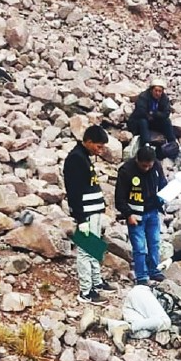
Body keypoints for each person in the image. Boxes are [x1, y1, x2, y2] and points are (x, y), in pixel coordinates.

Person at [79, 283, 181, 352]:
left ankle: (98, 319)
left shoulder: (180, 322)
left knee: (144, 333)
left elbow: (174, 331)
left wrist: (175, 341)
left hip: (137, 308)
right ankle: (126, 327)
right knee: (164, 322)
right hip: (141, 294)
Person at [63, 125, 114, 304]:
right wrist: (80, 218)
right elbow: (74, 191)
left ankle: (97, 281)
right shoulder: (76, 159)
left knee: (94, 247)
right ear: (89, 142)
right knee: (85, 251)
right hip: (86, 212)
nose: (100, 150)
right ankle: (86, 291)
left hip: (94, 211)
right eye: (98, 146)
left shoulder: (84, 157)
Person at [114, 145, 167, 285]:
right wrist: (128, 214)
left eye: (149, 166)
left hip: (153, 211)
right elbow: (119, 198)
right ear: (137, 159)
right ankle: (142, 275)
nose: (147, 169)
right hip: (135, 215)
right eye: (144, 166)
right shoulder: (126, 171)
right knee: (139, 247)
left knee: (154, 243)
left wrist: (166, 195)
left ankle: (154, 270)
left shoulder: (156, 167)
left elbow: (163, 184)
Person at [127, 78, 176, 149]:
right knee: (143, 121)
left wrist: (153, 113)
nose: (157, 93)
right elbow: (141, 111)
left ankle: (172, 142)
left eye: (160, 91)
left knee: (167, 121)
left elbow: (166, 113)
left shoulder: (164, 98)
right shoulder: (143, 96)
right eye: (156, 90)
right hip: (138, 123)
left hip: (154, 121)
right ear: (151, 90)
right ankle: (146, 145)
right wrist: (155, 115)